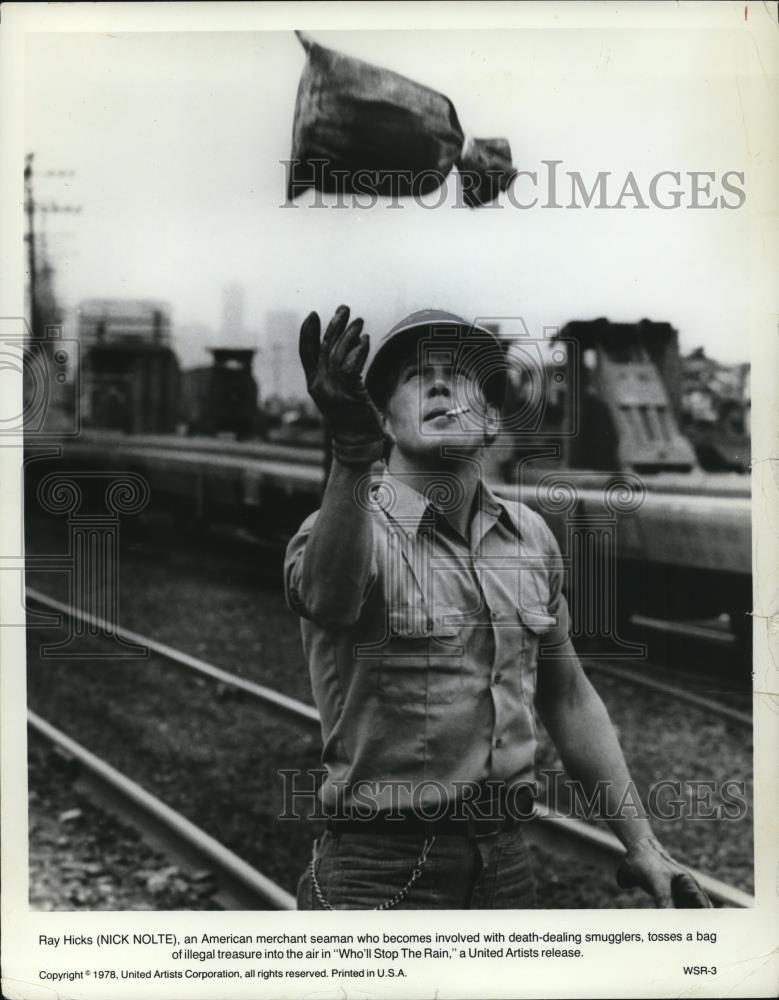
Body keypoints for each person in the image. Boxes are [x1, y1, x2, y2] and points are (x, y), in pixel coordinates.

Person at [284, 304, 709, 910]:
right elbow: (327, 599)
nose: (439, 386)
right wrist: (352, 451)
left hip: (505, 863)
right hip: (377, 868)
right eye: (417, 377)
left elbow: (568, 697)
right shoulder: (347, 529)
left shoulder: (530, 536)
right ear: (384, 420)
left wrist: (640, 842)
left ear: (490, 421)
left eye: (460, 377)